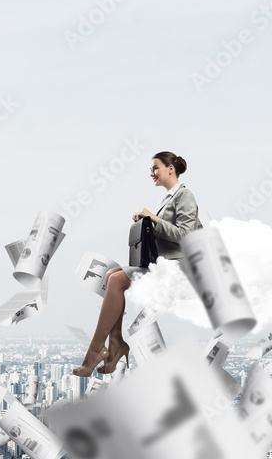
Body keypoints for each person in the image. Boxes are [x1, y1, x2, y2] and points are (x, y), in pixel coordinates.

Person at [72, 151, 201, 377]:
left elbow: (186, 234)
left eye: (155, 168)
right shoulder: (170, 197)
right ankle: (116, 346)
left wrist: (154, 219)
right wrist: (147, 223)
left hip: (177, 268)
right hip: (163, 263)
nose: (151, 173)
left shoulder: (185, 195)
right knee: (110, 275)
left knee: (116, 280)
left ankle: (95, 351)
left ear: (171, 169)